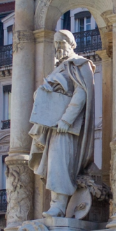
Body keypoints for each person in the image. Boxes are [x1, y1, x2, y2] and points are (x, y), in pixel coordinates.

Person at [28, 29, 96, 218]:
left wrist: (67, 119)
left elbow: (82, 93)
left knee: (60, 164)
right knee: (53, 164)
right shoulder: (59, 68)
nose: (58, 47)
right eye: (56, 43)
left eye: (62, 42)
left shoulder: (79, 64)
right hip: (51, 125)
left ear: (72, 44)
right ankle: (56, 204)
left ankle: (59, 206)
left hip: (66, 126)